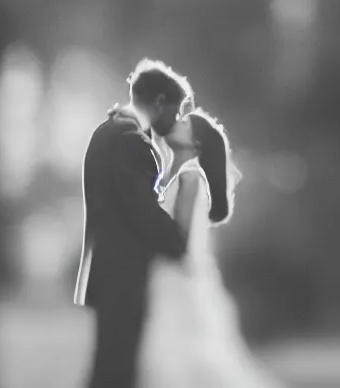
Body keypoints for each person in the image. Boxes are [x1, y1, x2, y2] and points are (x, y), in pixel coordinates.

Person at [137, 107, 282, 388]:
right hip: (177, 273)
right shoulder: (178, 177)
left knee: (178, 350)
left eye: (183, 126)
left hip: (176, 276)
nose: (174, 127)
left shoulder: (189, 179)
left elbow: (181, 235)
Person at [74, 59, 192, 388]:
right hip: (122, 275)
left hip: (109, 272)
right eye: (177, 109)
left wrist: (175, 165)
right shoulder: (130, 140)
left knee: (112, 367)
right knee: (115, 372)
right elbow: (143, 209)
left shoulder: (109, 131)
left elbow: (133, 197)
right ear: (158, 103)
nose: (179, 119)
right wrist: (178, 242)